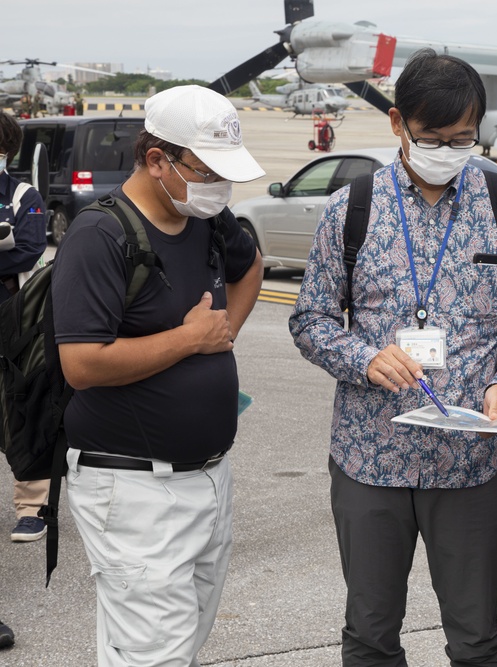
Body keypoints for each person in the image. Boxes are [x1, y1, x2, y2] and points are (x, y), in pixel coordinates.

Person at [289, 49, 497, 666]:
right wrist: (362, 357)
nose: (449, 149)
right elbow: (309, 320)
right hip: (370, 458)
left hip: (468, 465)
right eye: (433, 137)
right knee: (369, 635)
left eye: (464, 137)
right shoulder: (351, 209)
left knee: (479, 639)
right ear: (397, 125)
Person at [51, 85, 265, 666]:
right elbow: (82, 364)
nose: (219, 188)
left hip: (209, 478)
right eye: (207, 171)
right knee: (155, 654)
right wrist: (191, 340)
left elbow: (251, 269)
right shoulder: (100, 236)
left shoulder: (207, 220)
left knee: (177, 642)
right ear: (155, 160)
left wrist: (223, 336)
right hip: (136, 487)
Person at [0, 111, 49, 543]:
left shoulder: (21, 194)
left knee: (22, 407)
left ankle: (34, 506)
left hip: (10, 316)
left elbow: (30, 249)